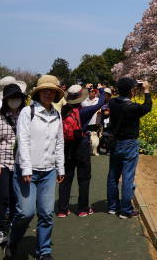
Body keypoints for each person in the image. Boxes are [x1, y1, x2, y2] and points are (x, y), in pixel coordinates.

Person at [4, 75, 65, 260]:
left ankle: (44, 251)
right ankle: (12, 241)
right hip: (26, 171)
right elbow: (22, 141)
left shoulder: (56, 114)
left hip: (48, 171)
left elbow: (59, 142)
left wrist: (60, 167)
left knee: (46, 213)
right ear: (38, 93)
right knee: (25, 212)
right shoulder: (27, 112)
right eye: (44, 90)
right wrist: (27, 168)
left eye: (51, 90)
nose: (48, 93)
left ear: (56, 93)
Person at [57, 84, 106, 217]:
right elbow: (101, 102)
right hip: (82, 144)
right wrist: (100, 89)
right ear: (81, 97)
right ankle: (83, 209)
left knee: (66, 177)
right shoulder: (85, 111)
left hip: (67, 145)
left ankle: (62, 210)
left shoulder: (63, 111)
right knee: (84, 178)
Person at [106, 78, 152, 218]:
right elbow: (147, 106)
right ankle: (126, 210)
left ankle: (112, 207)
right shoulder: (133, 107)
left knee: (113, 175)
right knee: (128, 177)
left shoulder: (112, 102)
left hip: (115, 143)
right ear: (132, 91)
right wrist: (146, 90)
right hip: (129, 144)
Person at [0, 83, 26, 246]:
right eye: (11, 98)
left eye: (17, 98)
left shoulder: (25, 114)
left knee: (14, 197)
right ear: (5, 100)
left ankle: (11, 225)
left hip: (19, 163)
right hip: (1, 162)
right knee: (3, 196)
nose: (14, 101)